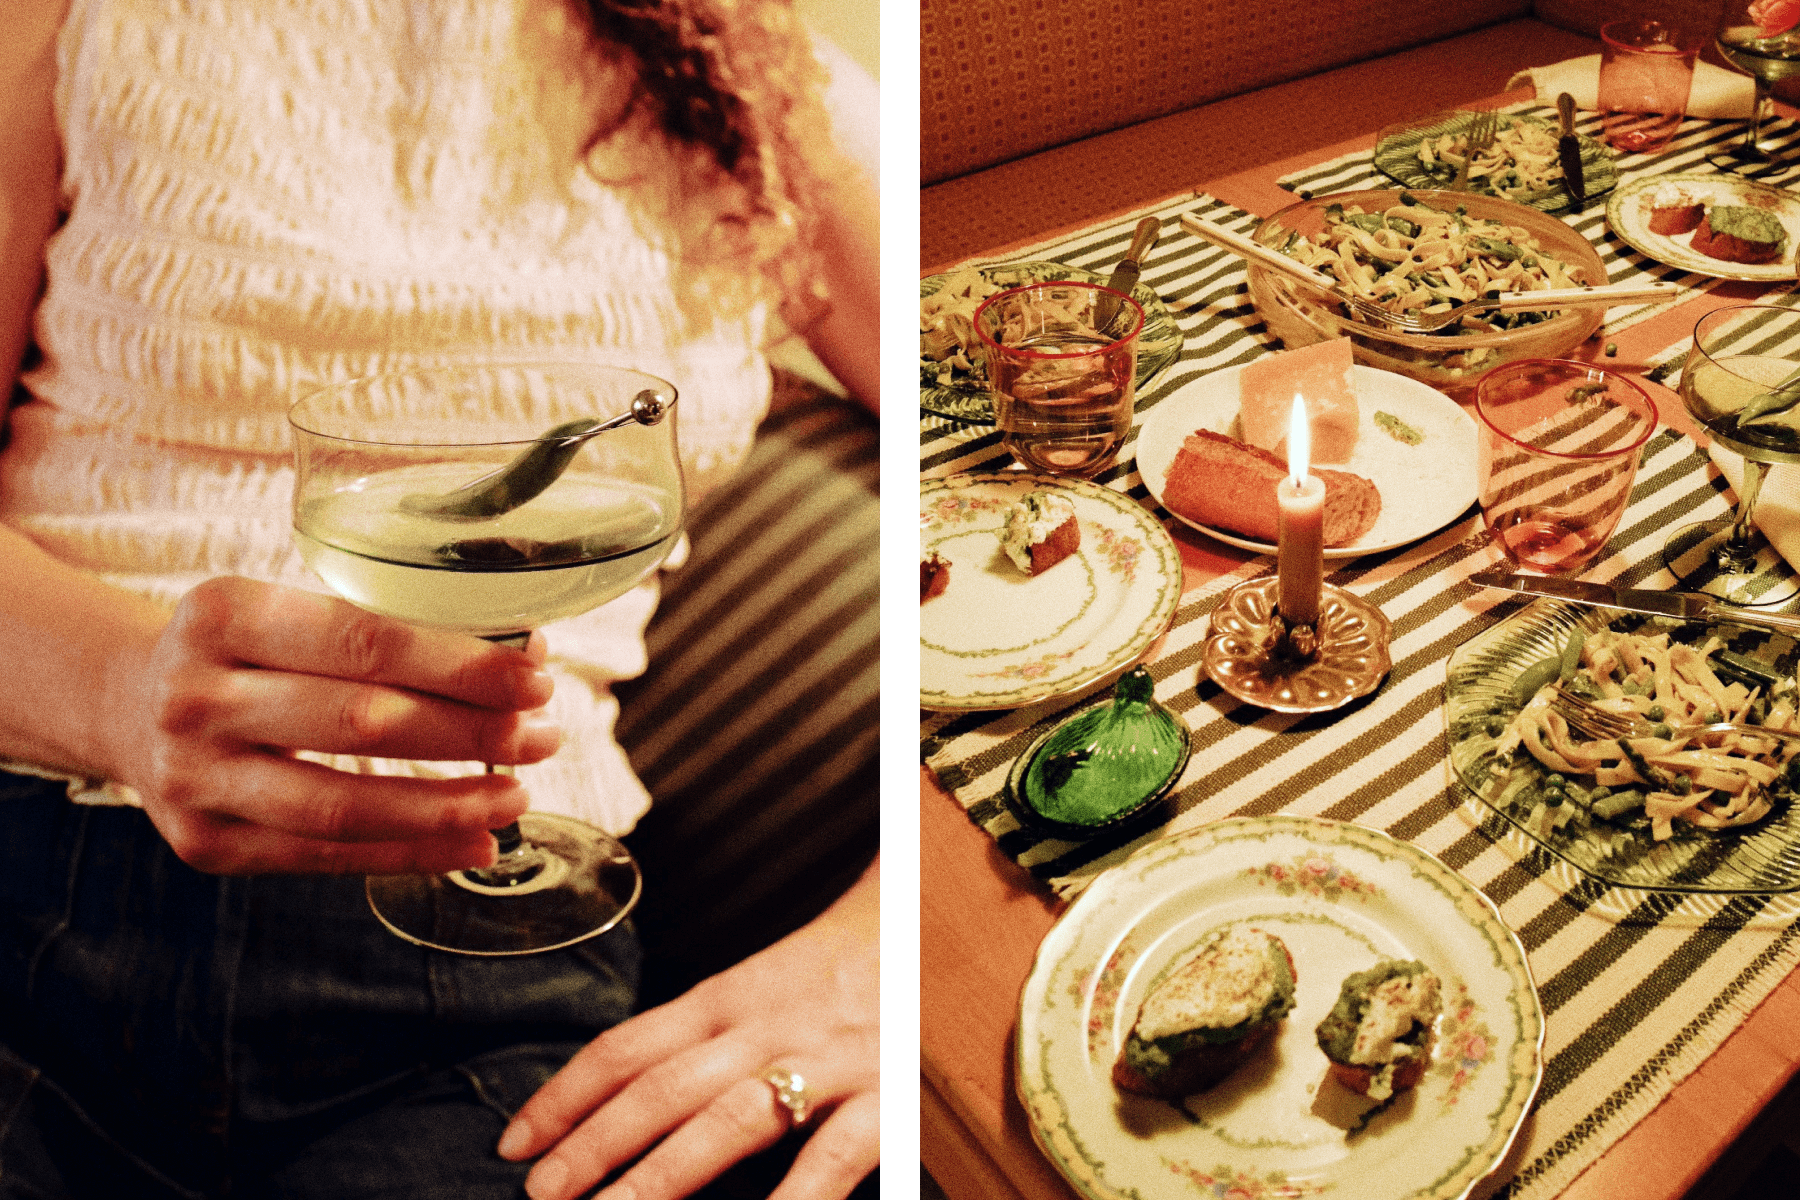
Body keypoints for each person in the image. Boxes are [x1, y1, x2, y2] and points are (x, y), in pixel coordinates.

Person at [0, 0, 878, 1198]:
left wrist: (878, 957)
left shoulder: (760, 86)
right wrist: (113, 688)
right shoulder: (68, 23)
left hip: (482, 976)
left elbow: (1010, 435)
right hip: (34, 874)